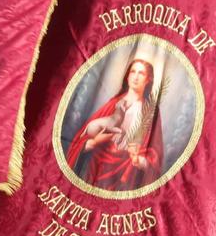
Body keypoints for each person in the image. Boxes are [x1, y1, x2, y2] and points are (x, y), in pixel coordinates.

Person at [68, 57, 165, 190]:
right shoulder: (113, 104)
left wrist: (139, 159)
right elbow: (80, 141)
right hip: (97, 168)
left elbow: (155, 155)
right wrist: (94, 142)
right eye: (133, 72)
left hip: (125, 176)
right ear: (127, 75)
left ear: (148, 79)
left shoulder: (150, 113)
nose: (135, 77)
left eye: (141, 73)